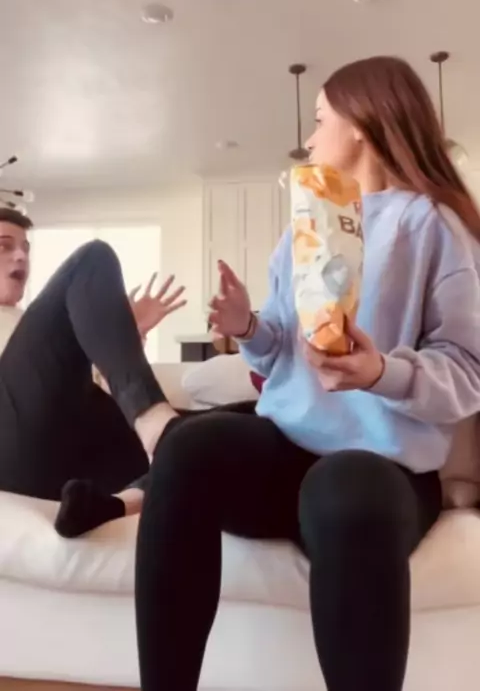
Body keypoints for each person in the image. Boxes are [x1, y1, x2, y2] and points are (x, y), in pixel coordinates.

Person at [134, 56, 480, 691]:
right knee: (186, 448)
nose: (310, 137)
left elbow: (466, 371)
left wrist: (381, 373)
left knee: (342, 485)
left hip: (383, 471)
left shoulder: (434, 225)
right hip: (286, 455)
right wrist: (248, 327)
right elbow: (282, 353)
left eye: (320, 120)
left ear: (361, 125)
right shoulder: (307, 224)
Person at [0, 209, 188, 524]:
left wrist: (126, 334)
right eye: (4, 246)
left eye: (25, 249)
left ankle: (120, 503)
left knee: (223, 425)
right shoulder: (30, 336)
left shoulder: (28, 324)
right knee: (92, 258)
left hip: (68, 461)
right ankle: (155, 423)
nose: (20, 256)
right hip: (12, 452)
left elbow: (90, 393)